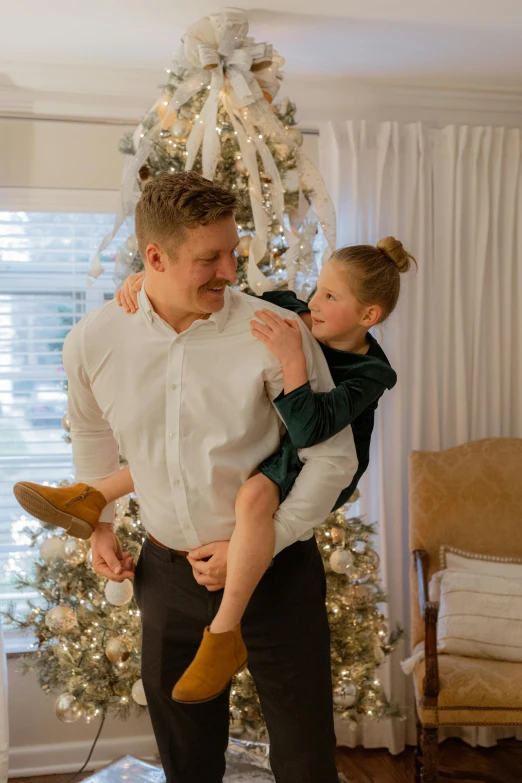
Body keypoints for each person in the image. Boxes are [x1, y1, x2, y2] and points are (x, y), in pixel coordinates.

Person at [14, 172, 357, 783]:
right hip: (166, 577)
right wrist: (100, 527)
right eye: (210, 259)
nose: (230, 271)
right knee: (186, 758)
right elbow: (93, 434)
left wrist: (262, 544)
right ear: (155, 258)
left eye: (234, 252)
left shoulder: (275, 334)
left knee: (305, 758)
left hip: (277, 575)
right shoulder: (94, 340)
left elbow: (333, 458)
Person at [13, 227, 415, 707]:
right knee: (191, 445)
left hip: (304, 454)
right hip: (221, 502)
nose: (314, 303)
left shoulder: (372, 373)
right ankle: (93, 496)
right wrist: (149, 281)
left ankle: (224, 632)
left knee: (252, 499)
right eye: (317, 289)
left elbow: (315, 436)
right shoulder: (297, 312)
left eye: (330, 296)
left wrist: (292, 361)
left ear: (369, 315)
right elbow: (232, 291)